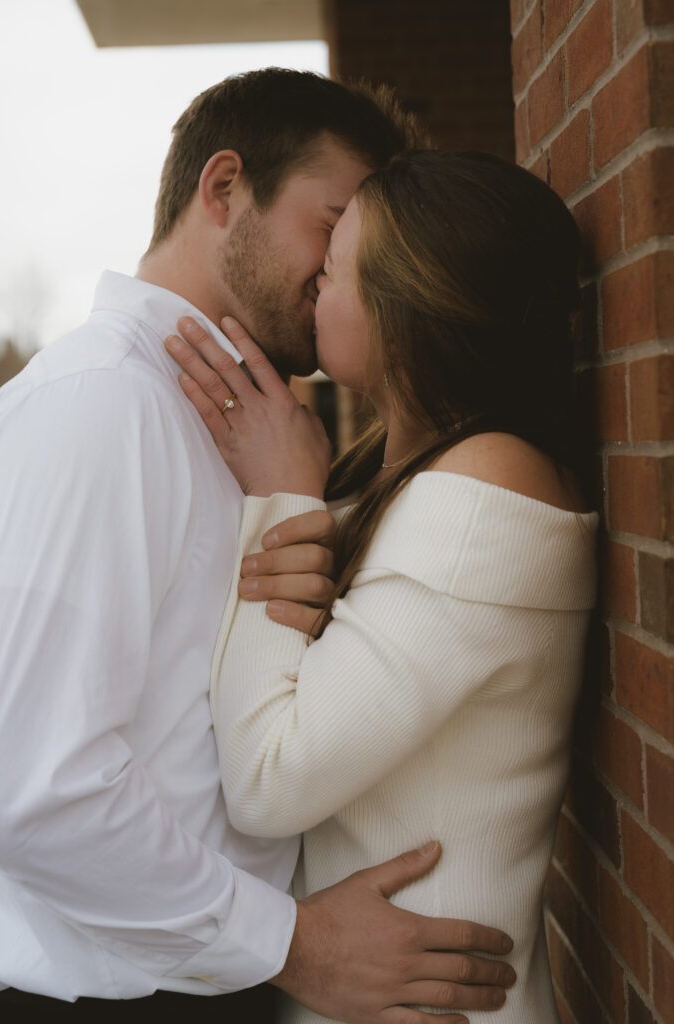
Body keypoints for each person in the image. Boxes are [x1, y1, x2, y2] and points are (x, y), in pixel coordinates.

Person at [0, 73, 515, 1022]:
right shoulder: (104, 404)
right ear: (224, 188)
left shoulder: (239, 424)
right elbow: (28, 779)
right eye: (330, 225)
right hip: (115, 997)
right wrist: (293, 944)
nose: (340, 272)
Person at [166, 150, 599, 1024]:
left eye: (335, 268)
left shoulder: (488, 494)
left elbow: (267, 779)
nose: (313, 285)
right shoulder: (392, 472)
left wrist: (279, 498)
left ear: (410, 304)